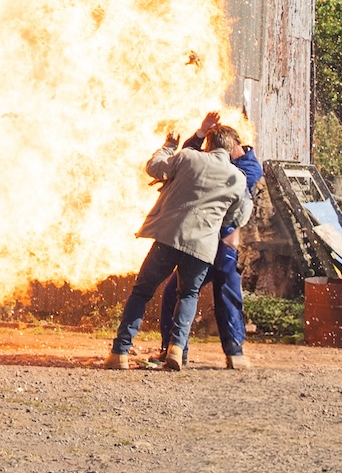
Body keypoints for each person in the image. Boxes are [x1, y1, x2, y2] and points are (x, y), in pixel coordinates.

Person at [105, 123, 253, 371]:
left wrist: (170, 144)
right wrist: (214, 221)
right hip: (203, 246)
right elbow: (237, 216)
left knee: (142, 292)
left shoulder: (188, 157)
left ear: (208, 144)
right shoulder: (238, 178)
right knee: (188, 295)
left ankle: (119, 352)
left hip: (169, 237)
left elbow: (155, 168)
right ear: (230, 148)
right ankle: (176, 348)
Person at [155, 113, 265, 370]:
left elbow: (209, 176)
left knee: (227, 293)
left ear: (232, 146)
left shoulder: (250, 167)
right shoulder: (218, 158)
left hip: (224, 243)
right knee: (175, 291)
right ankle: (172, 350)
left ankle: (234, 352)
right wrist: (200, 134)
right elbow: (187, 162)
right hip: (201, 239)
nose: (209, 153)